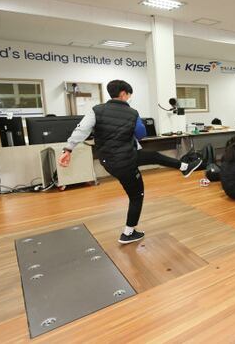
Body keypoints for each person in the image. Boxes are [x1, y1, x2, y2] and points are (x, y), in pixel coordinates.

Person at [58, 80, 201, 244]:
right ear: (123, 94)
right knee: (137, 196)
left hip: (109, 161)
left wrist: (68, 149)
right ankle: (128, 233)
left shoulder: (96, 110)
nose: (129, 97)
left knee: (153, 156)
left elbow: (81, 129)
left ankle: (184, 167)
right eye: (129, 94)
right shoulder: (132, 112)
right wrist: (135, 120)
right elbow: (141, 134)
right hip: (125, 160)